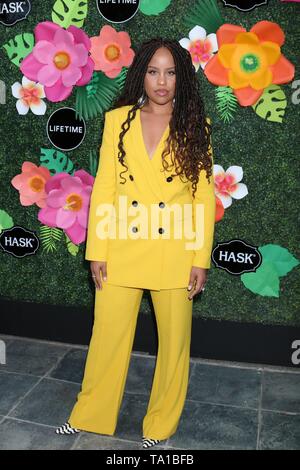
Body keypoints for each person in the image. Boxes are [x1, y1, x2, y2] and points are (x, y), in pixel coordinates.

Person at [55, 37, 216, 449]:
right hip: (122, 248)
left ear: (181, 78)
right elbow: (105, 190)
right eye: (153, 71)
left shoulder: (195, 125)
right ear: (141, 73)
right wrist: (98, 251)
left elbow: (202, 196)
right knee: (107, 335)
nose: (161, 81)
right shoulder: (117, 121)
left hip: (175, 251)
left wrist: (200, 259)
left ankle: (160, 425)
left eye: (171, 72)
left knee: (174, 345)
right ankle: (90, 413)